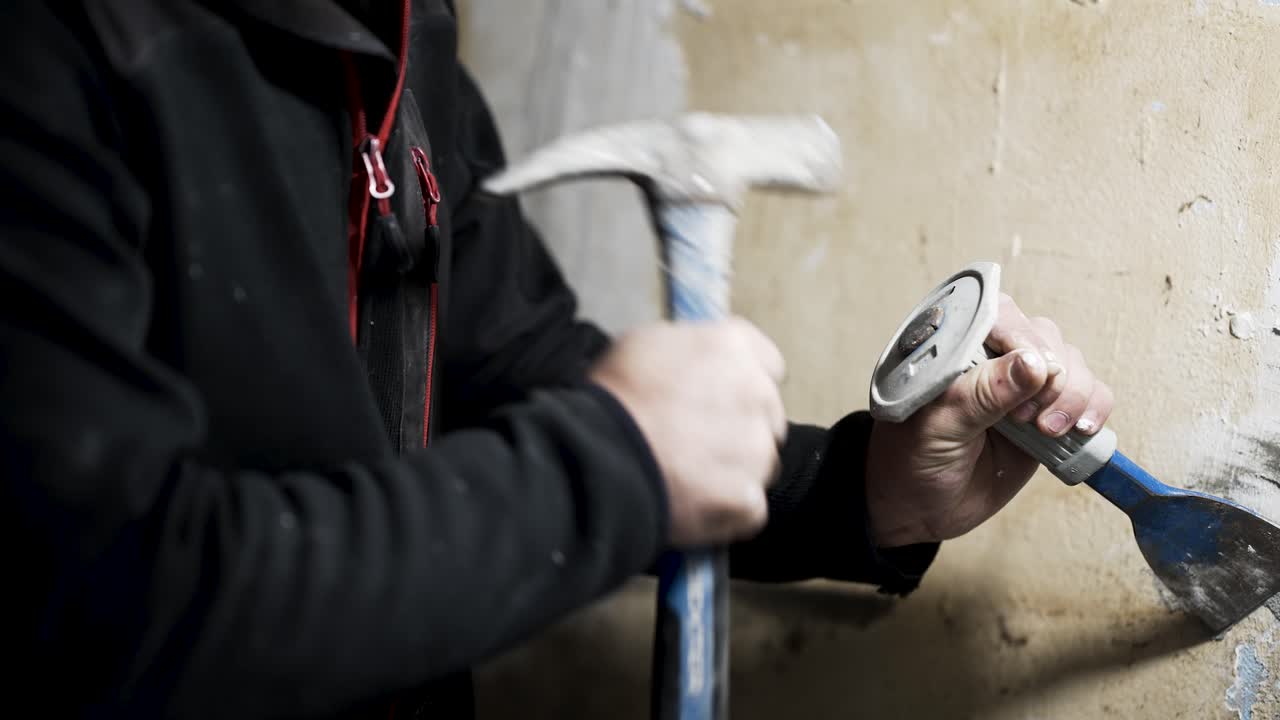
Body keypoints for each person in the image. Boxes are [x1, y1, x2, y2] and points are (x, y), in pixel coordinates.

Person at [0, 2, 1114, 718]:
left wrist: (854, 493)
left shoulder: (400, 35)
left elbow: (514, 370)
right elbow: (99, 599)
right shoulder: (53, 50)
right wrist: (609, 467)